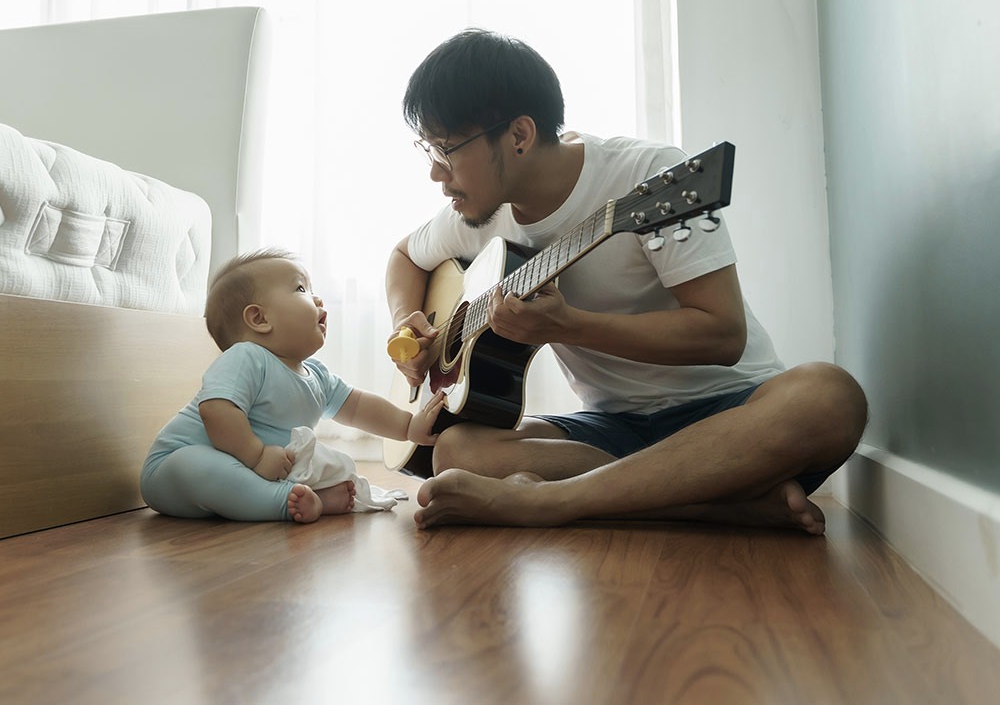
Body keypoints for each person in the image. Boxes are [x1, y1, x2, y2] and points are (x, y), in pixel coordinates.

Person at [384, 28, 868, 533]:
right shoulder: (477, 216)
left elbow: (724, 335)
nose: (437, 176)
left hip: (733, 416)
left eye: (446, 151)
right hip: (612, 429)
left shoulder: (650, 177)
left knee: (830, 397)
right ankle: (723, 504)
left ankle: (548, 503)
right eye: (429, 152)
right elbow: (404, 256)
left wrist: (568, 326)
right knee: (459, 449)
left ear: (519, 136)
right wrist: (406, 332)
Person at [141, 248, 445, 524]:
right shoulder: (247, 358)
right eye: (301, 288)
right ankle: (281, 502)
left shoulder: (316, 374)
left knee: (312, 468)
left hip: (245, 474)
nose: (318, 299)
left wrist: (408, 428)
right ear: (259, 318)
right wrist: (256, 455)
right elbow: (215, 410)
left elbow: (358, 406)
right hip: (171, 471)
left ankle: (306, 499)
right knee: (196, 465)